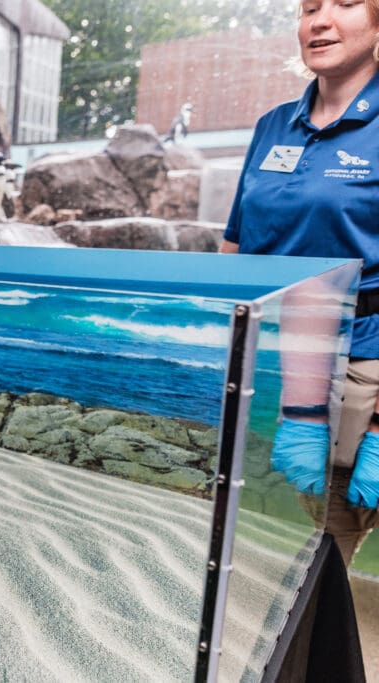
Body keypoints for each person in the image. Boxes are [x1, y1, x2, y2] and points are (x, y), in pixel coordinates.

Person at [221, 0, 379, 565]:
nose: (319, 20)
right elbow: (235, 245)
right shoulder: (272, 126)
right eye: (309, 7)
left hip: (356, 366)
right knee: (253, 545)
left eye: (345, 4)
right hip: (266, 362)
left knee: (323, 552)